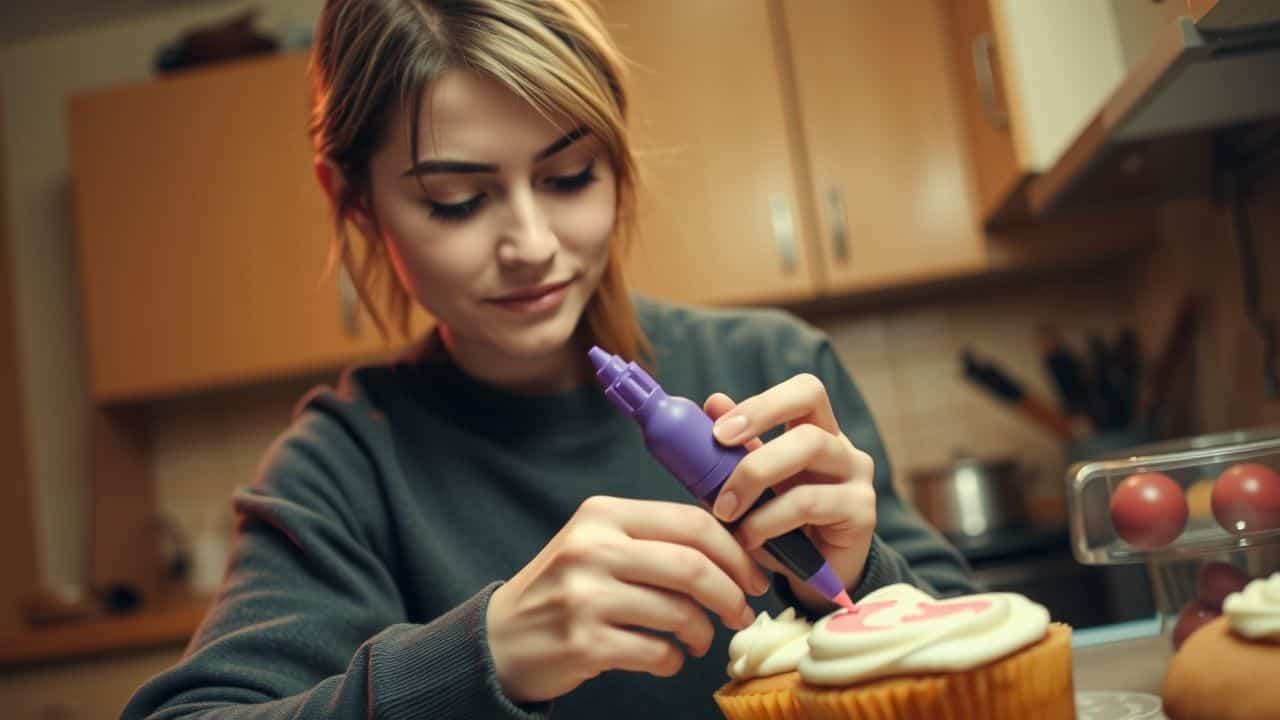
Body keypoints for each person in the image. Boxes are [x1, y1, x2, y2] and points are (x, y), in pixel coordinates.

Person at [123, 1, 975, 718]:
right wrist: (478, 654)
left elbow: (983, 666)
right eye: (455, 201)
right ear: (350, 198)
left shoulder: (772, 364)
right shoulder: (340, 470)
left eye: (569, 176)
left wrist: (864, 577)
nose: (531, 245)